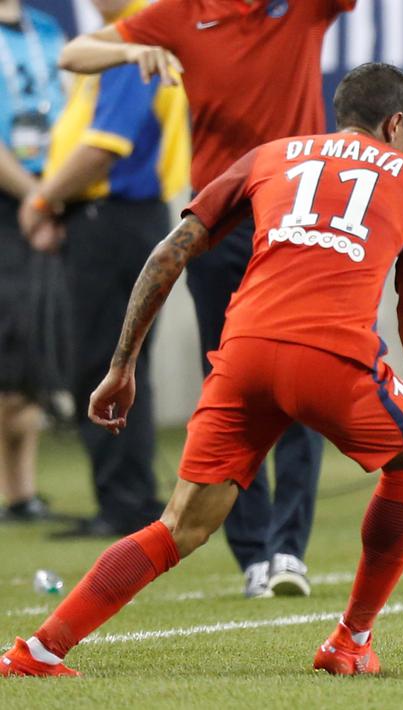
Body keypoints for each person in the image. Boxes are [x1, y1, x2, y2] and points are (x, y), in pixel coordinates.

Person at [1, 62, 403, 678]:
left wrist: (123, 365)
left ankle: (37, 651)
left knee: (180, 525)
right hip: (332, 356)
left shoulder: (268, 156)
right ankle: (350, 640)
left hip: (242, 351)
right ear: (397, 123)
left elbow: (170, 251)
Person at [56, 0, 356, 596]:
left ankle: (287, 549)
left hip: (297, 217)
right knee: (229, 384)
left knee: (305, 379)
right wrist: (128, 50)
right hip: (220, 220)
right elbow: (73, 53)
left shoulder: (299, 9)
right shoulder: (177, 15)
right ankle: (252, 556)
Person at [18, 0, 189, 539]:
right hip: (111, 218)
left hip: (116, 219)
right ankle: (126, 497)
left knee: (104, 363)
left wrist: (42, 200)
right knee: (111, 359)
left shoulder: (135, 37)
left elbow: (104, 147)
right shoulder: (121, 35)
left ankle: (125, 503)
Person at [0, 0, 65, 523]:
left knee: (33, 351)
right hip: (14, 201)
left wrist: (52, 195)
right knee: (9, 342)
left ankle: (21, 493)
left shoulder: (48, 30)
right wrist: (36, 197)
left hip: (50, 195)